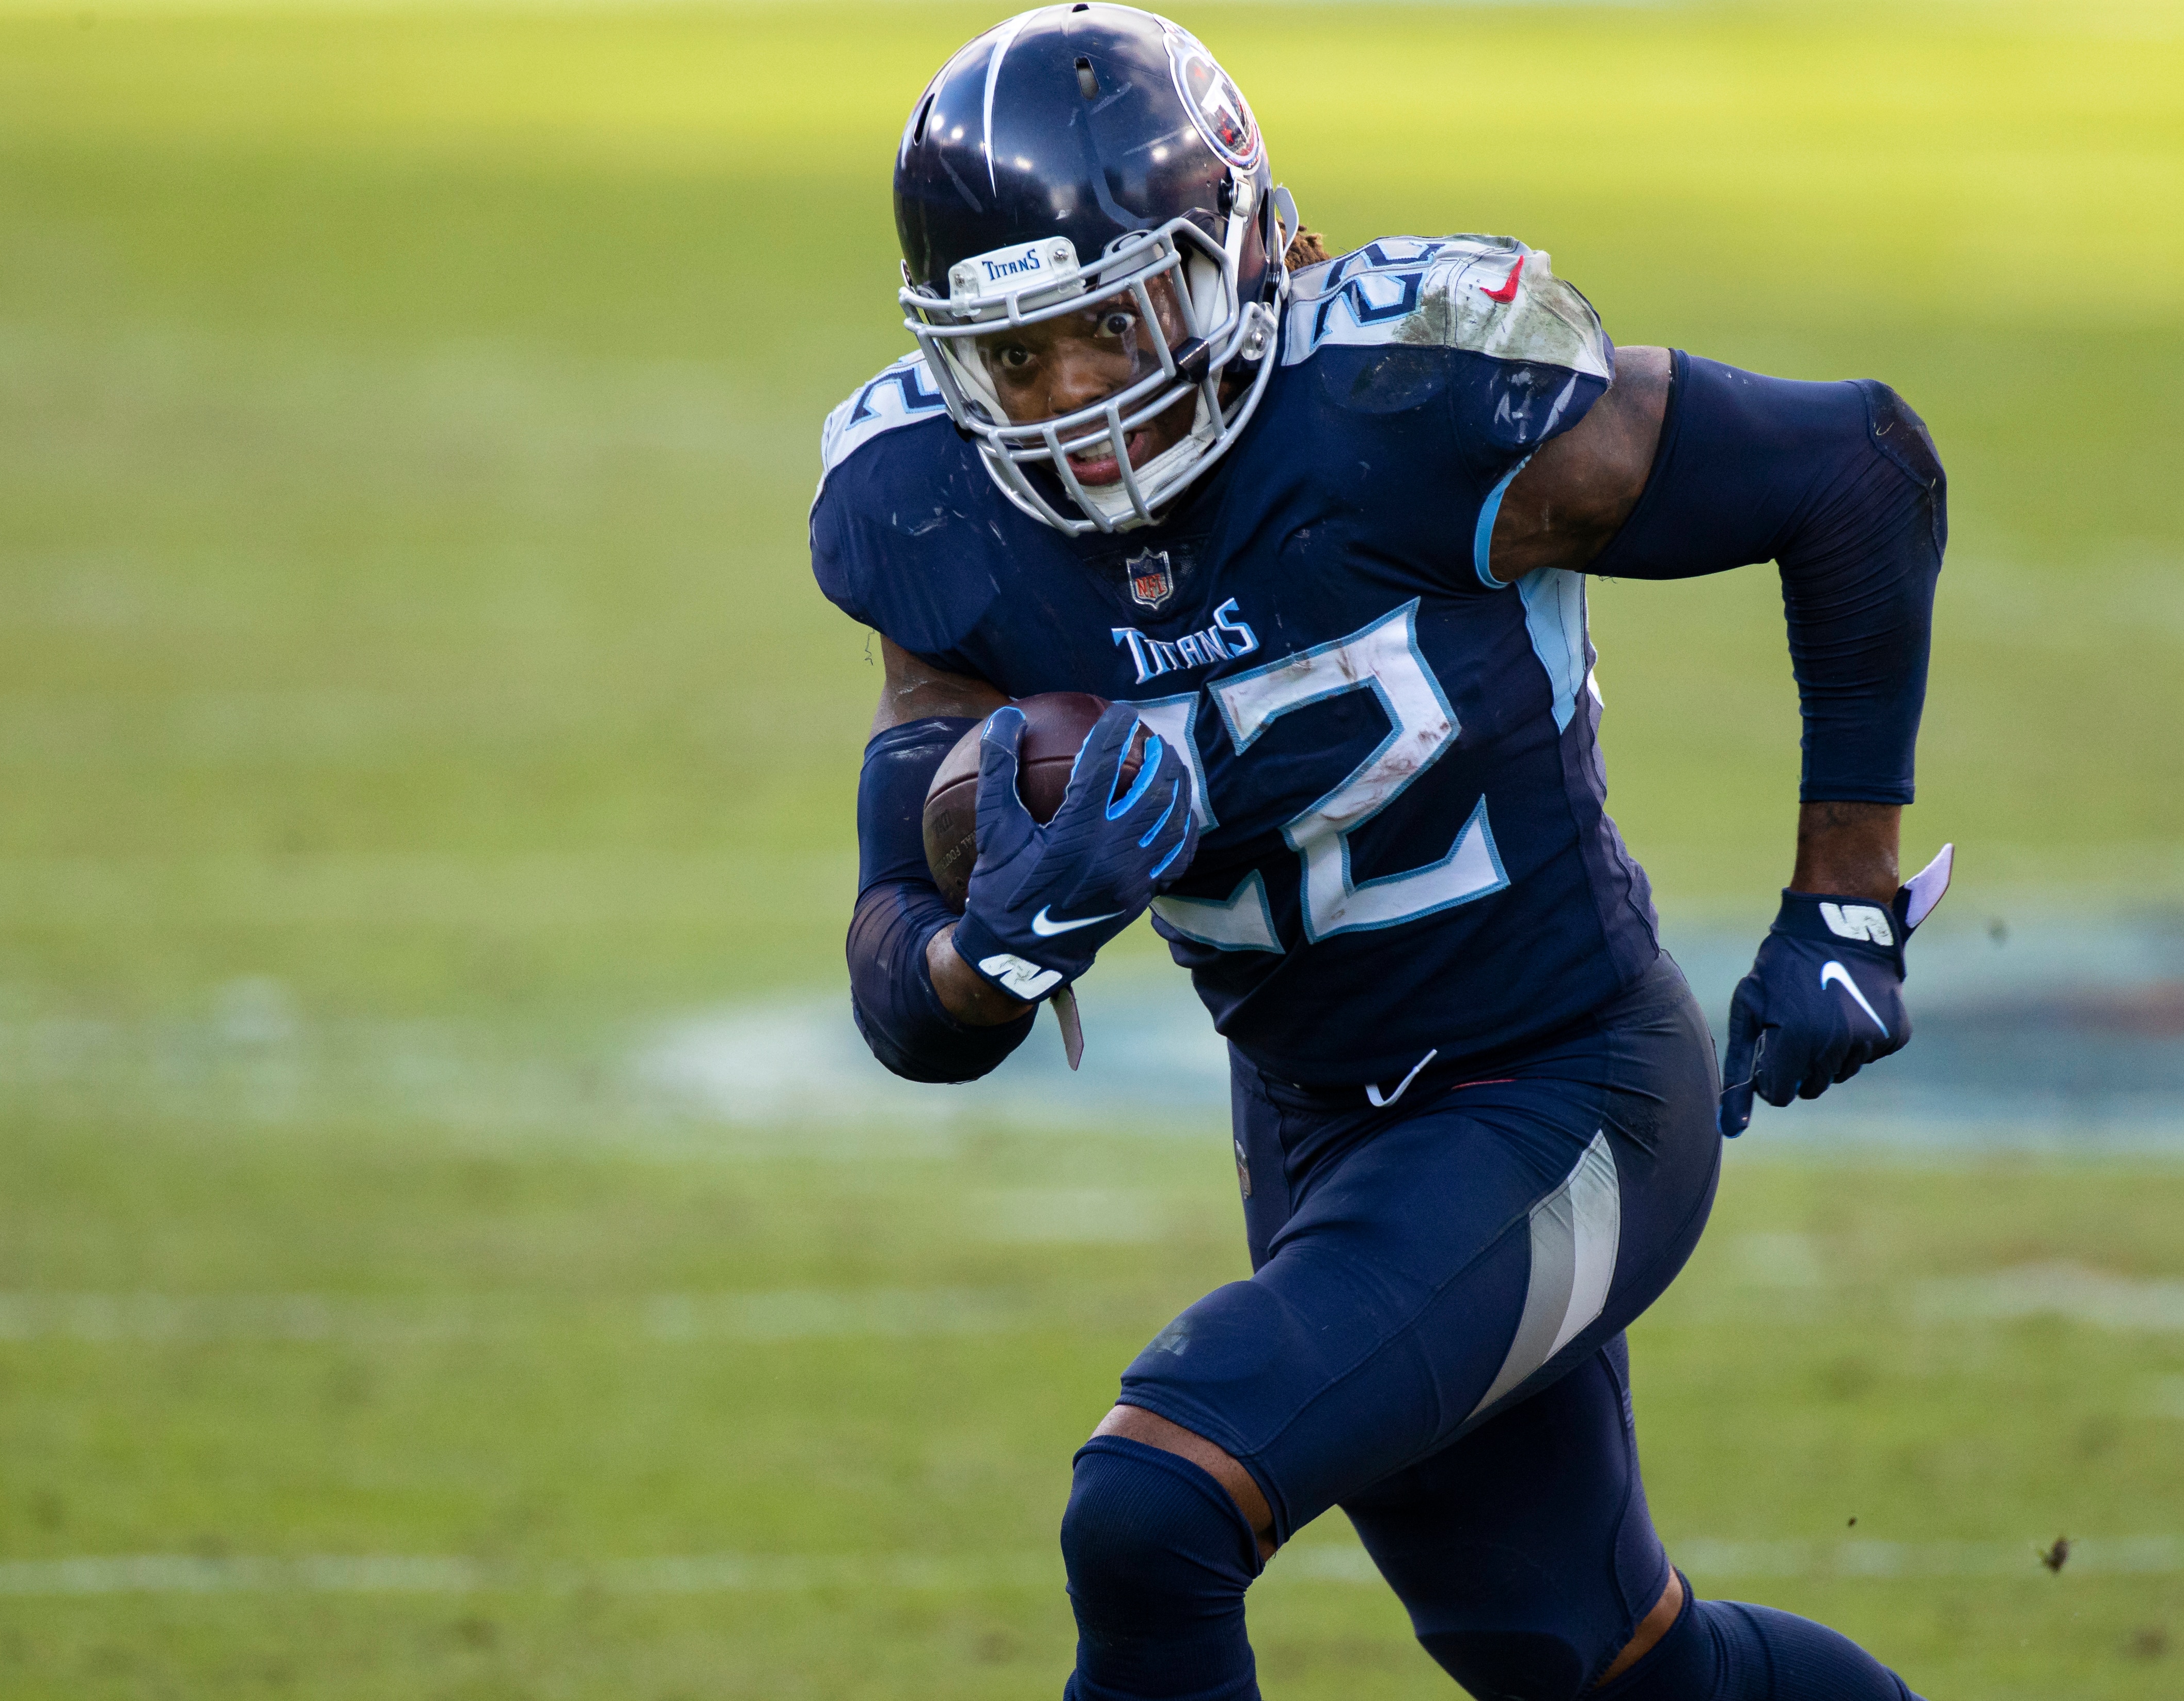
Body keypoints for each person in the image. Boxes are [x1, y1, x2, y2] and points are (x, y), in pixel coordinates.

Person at [811, 8, 1951, 1697]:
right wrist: (996, 953)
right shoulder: (930, 510)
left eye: (1111, 324)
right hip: (1315, 1125)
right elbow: (897, 956)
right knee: (1611, 1671)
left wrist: (1843, 895)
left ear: (1234, 254)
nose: (1075, 400)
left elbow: (1854, 470)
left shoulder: (1411, 394)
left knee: (1151, 1507)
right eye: (1019, 358)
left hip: (1561, 1083)